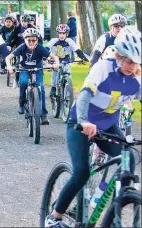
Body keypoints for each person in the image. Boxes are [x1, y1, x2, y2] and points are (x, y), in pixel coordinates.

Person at [44, 26, 141, 228]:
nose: (133, 66)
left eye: (136, 62)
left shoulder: (137, 77)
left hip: (107, 126)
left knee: (128, 158)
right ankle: (55, 215)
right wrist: (83, 121)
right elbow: (85, 96)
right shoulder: (103, 68)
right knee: (82, 172)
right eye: (129, 61)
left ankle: (117, 208)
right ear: (118, 56)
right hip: (80, 123)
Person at [5, 28, 60, 124]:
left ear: (37, 40)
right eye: (28, 40)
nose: (31, 42)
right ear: (24, 40)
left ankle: (43, 114)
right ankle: (21, 103)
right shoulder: (21, 47)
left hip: (37, 70)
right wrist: (9, 66)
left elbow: (54, 56)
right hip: (24, 69)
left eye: (33, 40)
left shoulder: (40, 48)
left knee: (41, 88)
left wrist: (56, 64)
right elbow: (8, 57)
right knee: (23, 82)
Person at [46, 24, 88, 97]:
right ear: (57, 34)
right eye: (60, 33)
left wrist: (83, 57)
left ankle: (68, 89)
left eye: (63, 33)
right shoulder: (54, 41)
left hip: (66, 62)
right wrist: (45, 56)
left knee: (68, 74)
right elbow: (46, 48)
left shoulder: (69, 41)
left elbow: (77, 50)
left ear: (67, 34)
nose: (61, 35)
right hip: (56, 62)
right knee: (55, 75)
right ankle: (53, 88)